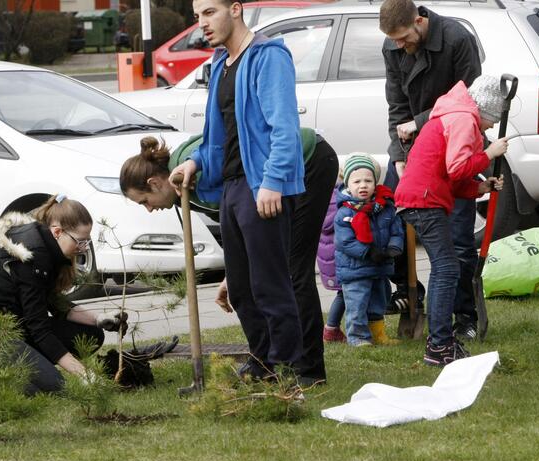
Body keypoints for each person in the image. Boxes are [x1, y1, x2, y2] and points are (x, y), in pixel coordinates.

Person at [169, 0, 314, 387]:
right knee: (241, 287)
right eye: (198, 16)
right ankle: (261, 360)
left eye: (210, 13)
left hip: (259, 185)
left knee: (270, 285)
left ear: (235, 9)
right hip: (231, 188)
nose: (203, 24)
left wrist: (272, 181)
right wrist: (195, 162)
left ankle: (287, 370)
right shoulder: (221, 64)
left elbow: (283, 127)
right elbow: (220, 134)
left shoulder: (268, 56)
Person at [121, 127, 338, 384]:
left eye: (144, 201)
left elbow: (241, 155)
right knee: (245, 285)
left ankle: (308, 370)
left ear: (154, 183)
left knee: (291, 272)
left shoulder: (194, 170)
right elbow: (236, 224)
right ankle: (263, 362)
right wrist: (234, 271)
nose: (148, 209)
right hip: (263, 187)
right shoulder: (183, 190)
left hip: (306, 161)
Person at [380, 0, 483, 340]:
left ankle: (464, 317)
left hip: (454, 147)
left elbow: (470, 100)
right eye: (394, 41)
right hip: (414, 151)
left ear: (420, 21)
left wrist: (419, 121)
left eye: (404, 38)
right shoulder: (392, 46)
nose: (399, 46)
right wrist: (398, 153)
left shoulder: (456, 39)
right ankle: (410, 295)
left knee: (458, 239)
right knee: (388, 223)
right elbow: (396, 104)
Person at [0, 195, 129, 392]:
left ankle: (24, 364)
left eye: (86, 242)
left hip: (17, 327)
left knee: (91, 334)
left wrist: (99, 318)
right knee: (52, 386)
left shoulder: (47, 246)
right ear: (57, 232)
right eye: (79, 241)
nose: (82, 248)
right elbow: (39, 329)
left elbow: (52, 301)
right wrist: (84, 374)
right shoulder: (31, 255)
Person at [395, 77, 508, 366]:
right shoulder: (462, 119)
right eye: (492, 120)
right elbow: (458, 168)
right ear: (485, 110)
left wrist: (480, 188)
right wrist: (488, 154)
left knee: (445, 269)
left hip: (421, 197)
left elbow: (451, 177)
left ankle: (441, 342)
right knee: (447, 270)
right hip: (423, 200)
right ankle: (439, 345)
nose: (491, 127)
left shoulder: (455, 114)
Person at [334, 154, 404, 347]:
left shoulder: (386, 208)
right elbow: (344, 242)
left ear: (375, 183)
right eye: (357, 181)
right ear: (348, 184)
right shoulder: (345, 212)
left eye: (368, 180)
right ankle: (357, 337)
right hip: (356, 269)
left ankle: (377, 334)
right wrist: (368, 251)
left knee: (378, 302)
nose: (363, 185)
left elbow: (396, 230)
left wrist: (394, 247)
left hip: (380, 267)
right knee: (357, 303)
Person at [319, 176, 346, 343]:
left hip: (326, 257)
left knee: (343, 293)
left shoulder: (321, 198)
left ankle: (332, 328)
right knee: (346, 293)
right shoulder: (340, 199)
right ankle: (331, 327)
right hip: (340, 257)